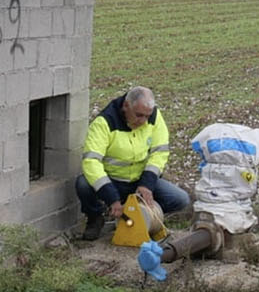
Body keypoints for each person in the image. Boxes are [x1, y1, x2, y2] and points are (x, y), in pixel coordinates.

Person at [75, 85, 190, 240]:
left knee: (180, 199)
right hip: (112, 181)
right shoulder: (104, 123)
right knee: (83, 184)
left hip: (140, 181)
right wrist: (111, 197)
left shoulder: (154, 117)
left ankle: (144, 213)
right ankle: (96, 217)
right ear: (126, 106)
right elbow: (91, 162)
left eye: (147, 116)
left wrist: (147, 184)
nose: (143, 121)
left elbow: (160, 152)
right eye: (138, 115)